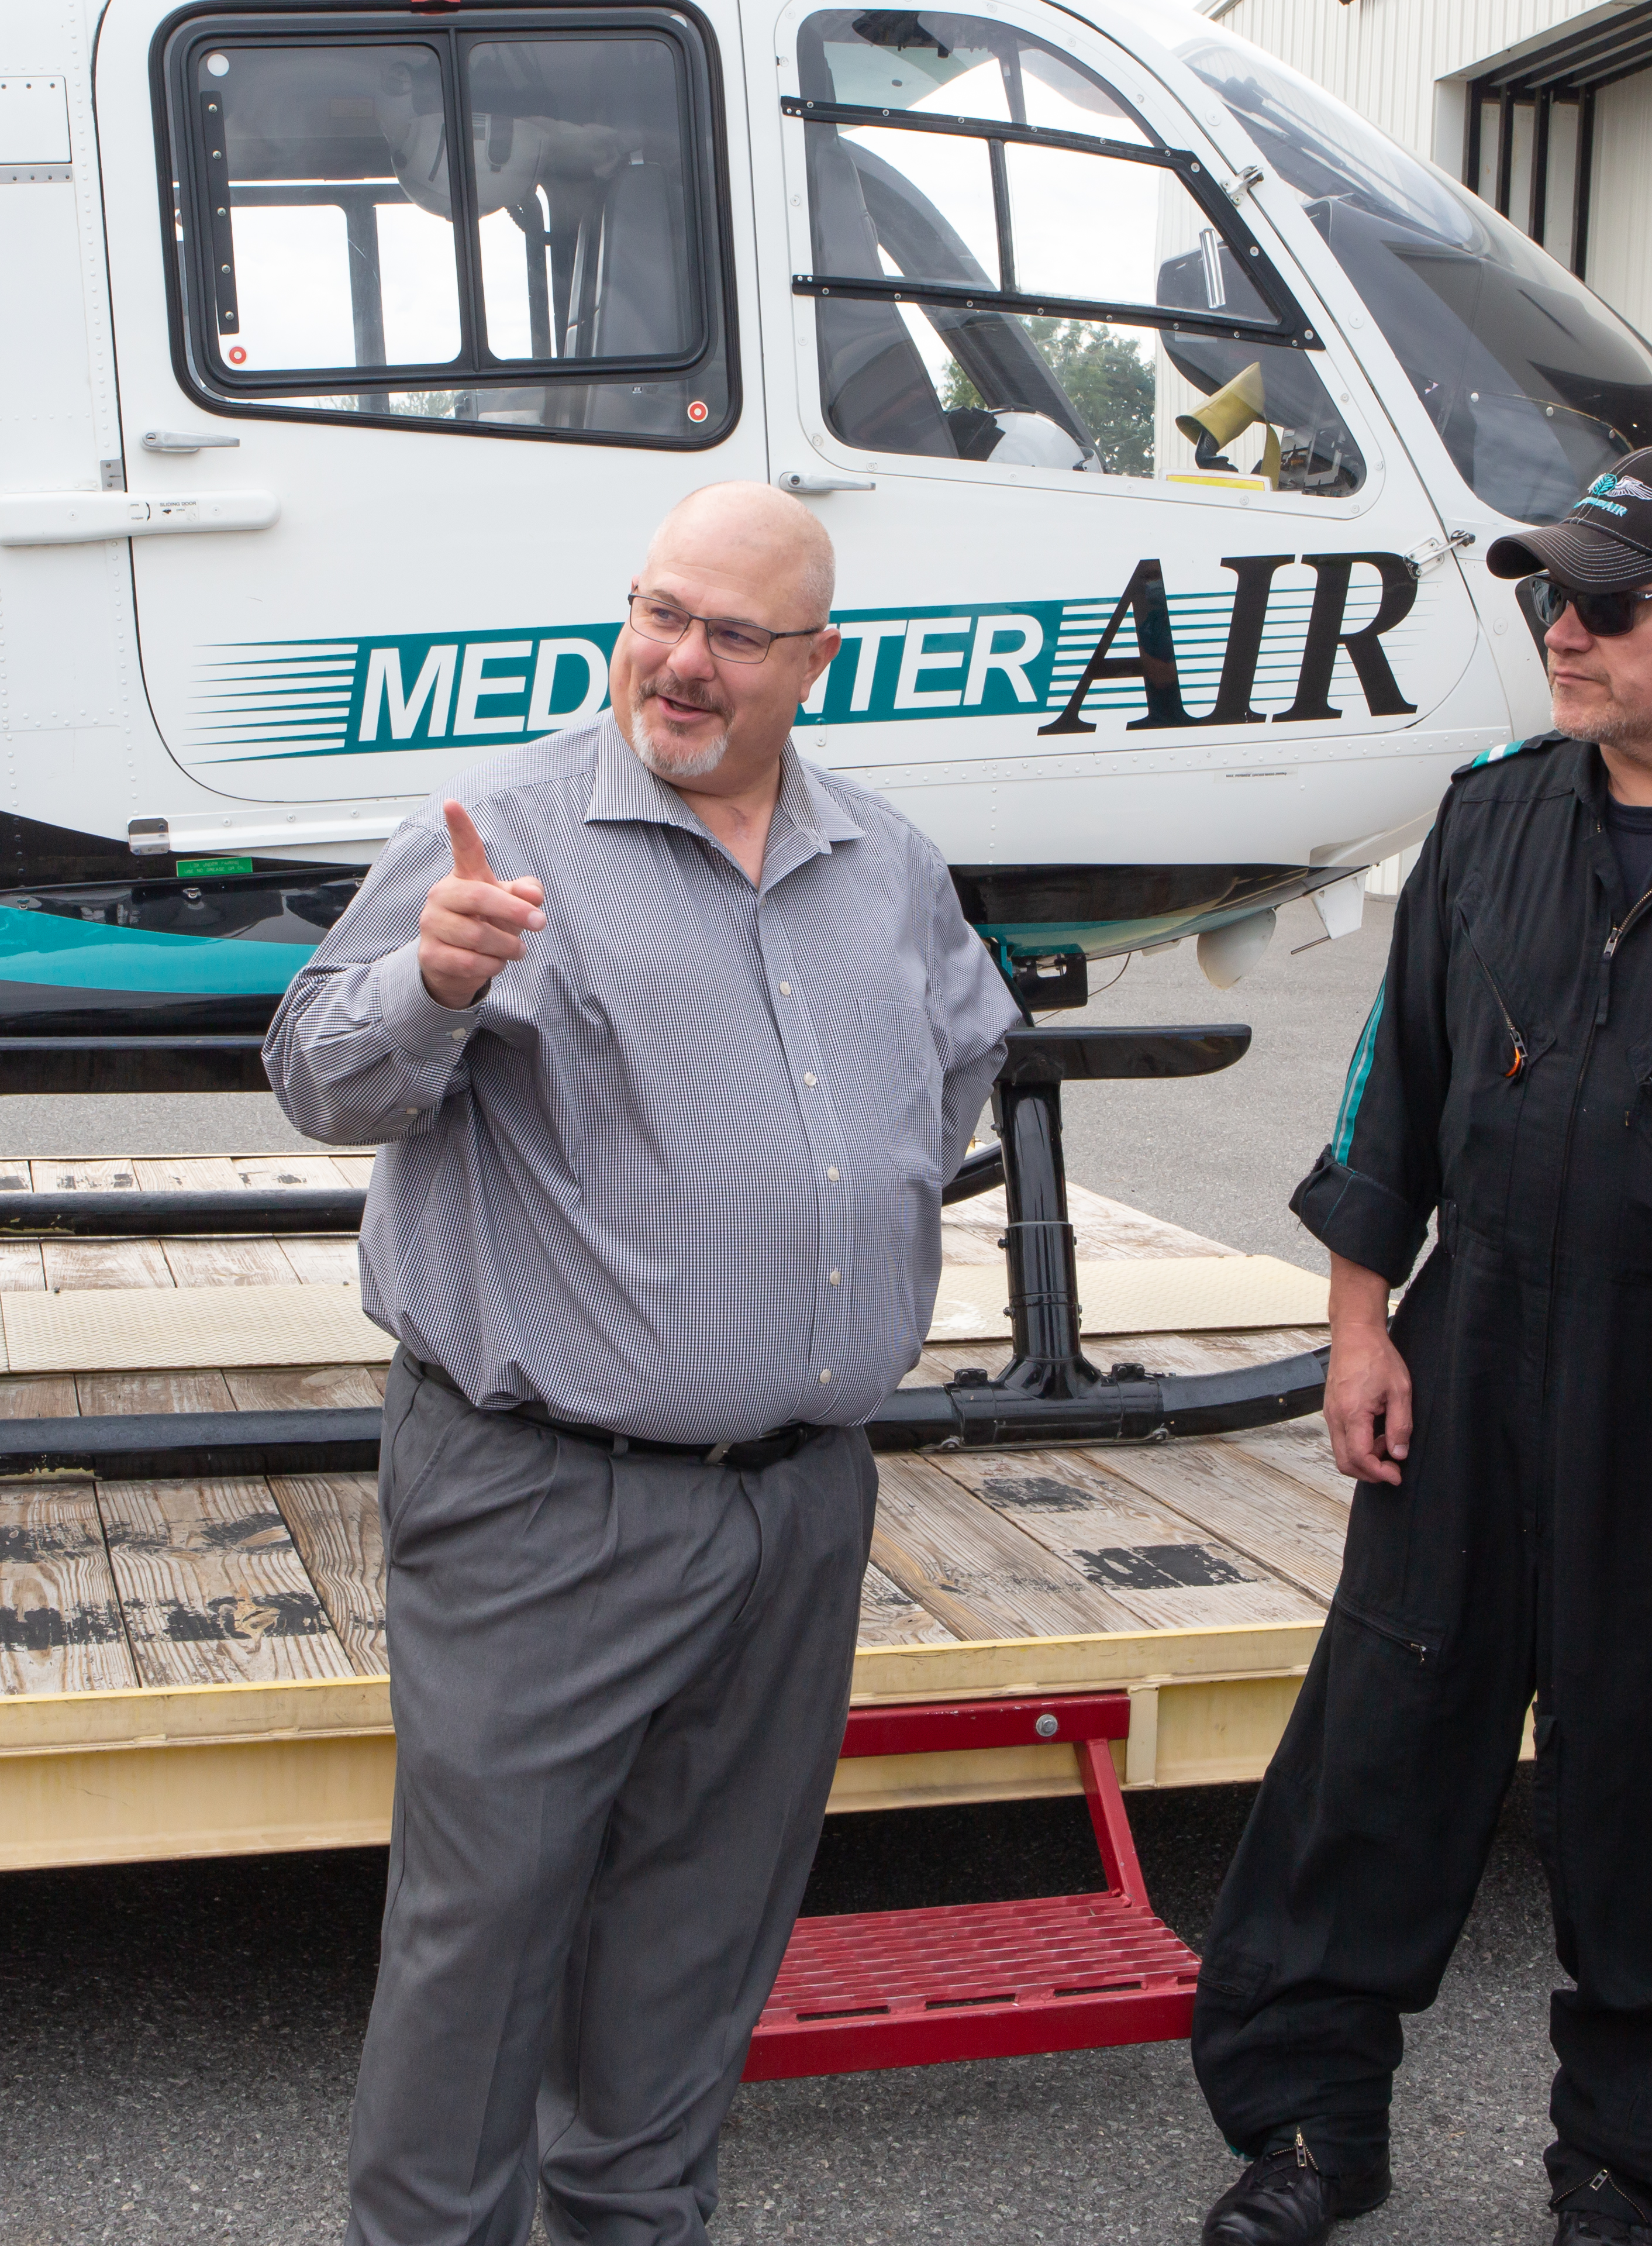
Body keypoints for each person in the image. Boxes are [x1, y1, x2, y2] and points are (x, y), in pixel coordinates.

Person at [1192, 446, 1652, 2246]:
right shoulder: (1495, 810)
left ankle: (1621, 2171)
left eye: (1607, 601)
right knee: (1373, 1766)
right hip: (1469, 1371)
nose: (1566, 632)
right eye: (1549, 598)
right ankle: (1308, 2125)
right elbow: (1402, 1083)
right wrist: (1362, 1321)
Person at [264, 481, 1019, 2246]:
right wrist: (428, 989)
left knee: (704, 1935)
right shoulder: (507, 830)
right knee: (485, 1953)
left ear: (815, 662)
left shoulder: (886, 865)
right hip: (547, 1503)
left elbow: (958, 1070)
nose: (679, 663)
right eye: (657, 613)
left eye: (733, 634)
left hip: (800, 1508)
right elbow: (315, 1074)